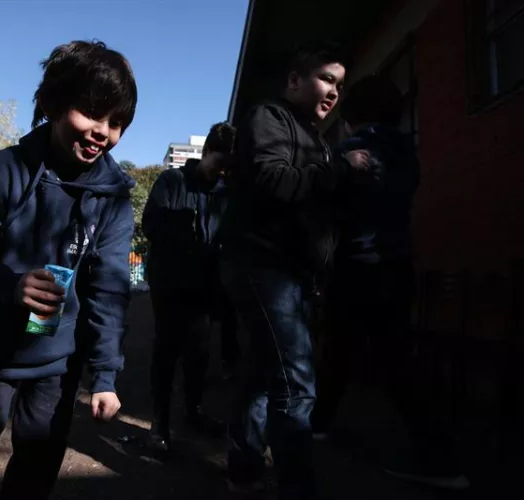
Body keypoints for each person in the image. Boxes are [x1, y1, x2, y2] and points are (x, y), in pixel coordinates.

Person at [0, 40, 137, 500]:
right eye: (91, 112)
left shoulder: (113, 201)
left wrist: (105, 375)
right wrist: (9, 286)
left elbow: (109, 291)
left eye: (116, 123)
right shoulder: (2, 173)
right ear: (54, 104)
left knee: (36, 468)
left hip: (56, 363)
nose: (103, 132)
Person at [219, 42, 370, 499]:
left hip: (292, 272)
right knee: (298, 384)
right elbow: (272, 179)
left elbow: (318, 203)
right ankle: (298, 488)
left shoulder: (317, 139)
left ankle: (243, 471)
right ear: (294, 81)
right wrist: (341, 169)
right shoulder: (270, 117)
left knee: (266, 375)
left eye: (340, 85)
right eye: (326, 78)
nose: (334, 91)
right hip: (264, 264)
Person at [311, 75, 469, 490]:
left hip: (359, 266)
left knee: (362, 353)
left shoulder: (352, 149)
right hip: (398, 263)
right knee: (372, 352)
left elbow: (324, 200)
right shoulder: (406, 150)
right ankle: (319, 422)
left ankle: (440, 459)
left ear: (353, 114)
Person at [143, 122, 236, 452]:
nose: (222, 171)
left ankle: (193, 411)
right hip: (170, 281)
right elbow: (151, 224)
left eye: (228, 166)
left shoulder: (226, 192)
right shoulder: (172, 181)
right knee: (167, 350)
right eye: (220, 162)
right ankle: (160, 421)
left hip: (205, 285)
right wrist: (193, 246)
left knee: (199, 353)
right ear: (207, 151)